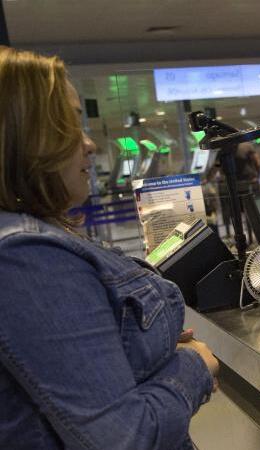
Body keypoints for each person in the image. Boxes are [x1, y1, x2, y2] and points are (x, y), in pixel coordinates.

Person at [0, 46, 218, 449]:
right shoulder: (27, 259)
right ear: (24, 138)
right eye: (67, 125)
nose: (90, 144)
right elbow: (126, 438)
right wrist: (193, 365)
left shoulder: (38, 237)